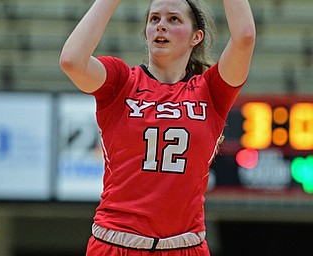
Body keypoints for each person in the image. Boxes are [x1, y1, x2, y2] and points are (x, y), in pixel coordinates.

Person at [59, 0, 256, 255]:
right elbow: (71, 61)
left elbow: (245, 37)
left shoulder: (211, 90)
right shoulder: (122, 81)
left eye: (173, 19)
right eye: (154, 19)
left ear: (196, 37)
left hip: (186, 245)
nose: (161, 26)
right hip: (116, 243)